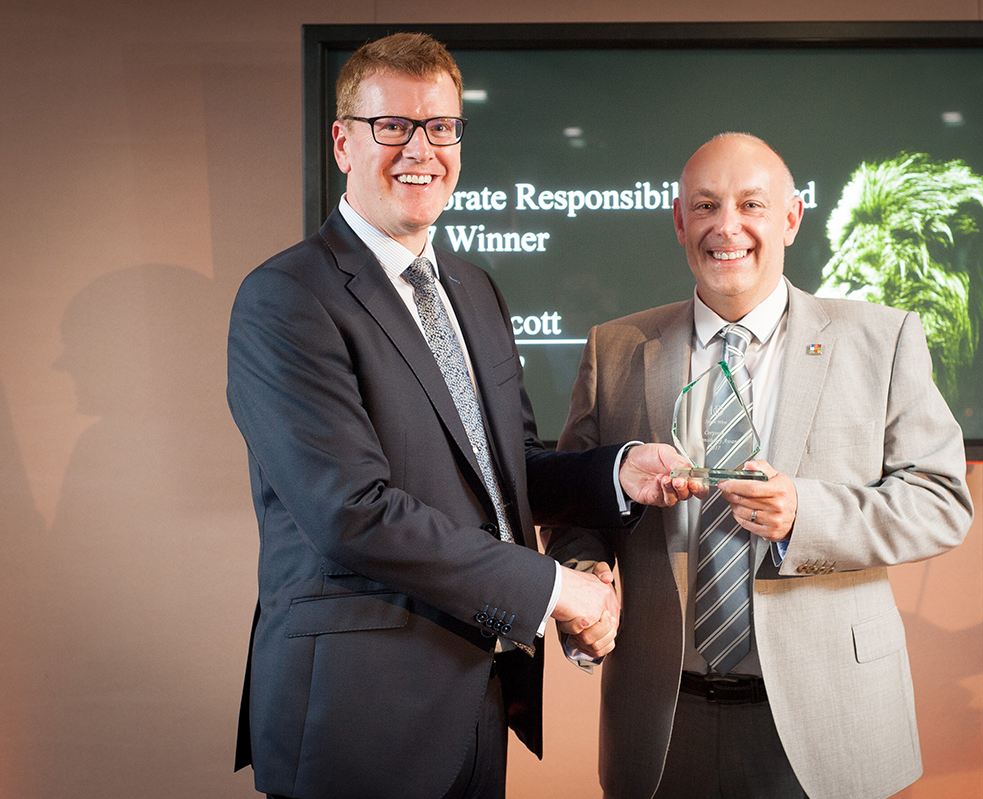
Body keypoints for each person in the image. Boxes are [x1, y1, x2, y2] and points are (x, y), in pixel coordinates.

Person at [226, 32, 691, 799]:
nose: (421, 149)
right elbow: (352, 513)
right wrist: (554, 588)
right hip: (357, 718)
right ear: (343, 143)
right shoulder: (287, 298)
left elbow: (507, 468)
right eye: (393, 126)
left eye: (441, 126)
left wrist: (617, 472)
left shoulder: (473, 289)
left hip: (478, 697)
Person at [545, 133, 974, 799]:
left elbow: (942, 501)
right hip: (660, 722)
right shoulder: (616, 348)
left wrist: (806, 514)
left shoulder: (881, 338)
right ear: (679, 221)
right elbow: (574, 503)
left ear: (792, 219)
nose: (727, 226)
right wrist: (585, 574)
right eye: (706, 206)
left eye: (752, 205)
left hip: (832, 718)